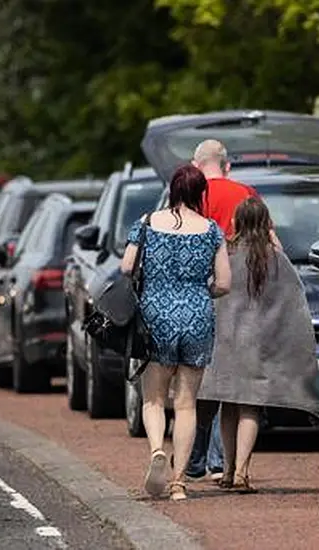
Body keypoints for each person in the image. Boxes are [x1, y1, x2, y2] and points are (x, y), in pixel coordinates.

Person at [121, 164, 231, 501]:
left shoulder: (147, 223)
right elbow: (225, 283)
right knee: (186, 404)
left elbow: (127, 266)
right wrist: (199, 293)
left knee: (153, 398)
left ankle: (157, 450)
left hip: (155, 314)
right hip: (197, 314)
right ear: (200, 194)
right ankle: (180, 482)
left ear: (172, 190)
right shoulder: (211, 230)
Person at [198, 197, 319, 492]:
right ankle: (242, 471)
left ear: (236, 221)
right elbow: (292, 302)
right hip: (258, 343)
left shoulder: (224, 251)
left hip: (225, 340)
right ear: (267, 223)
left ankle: (226, 471)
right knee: (250, 408)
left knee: (227, 405)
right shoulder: (274, 258)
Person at [185, 139, 282, 481]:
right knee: (245, 394)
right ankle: (227, 466)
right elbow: (271, 243)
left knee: (207, 384)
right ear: (226, 165)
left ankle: (201, 460)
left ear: (196, 165)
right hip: (249, 304)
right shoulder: (246, 192)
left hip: (209, 298)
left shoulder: (191, 195)